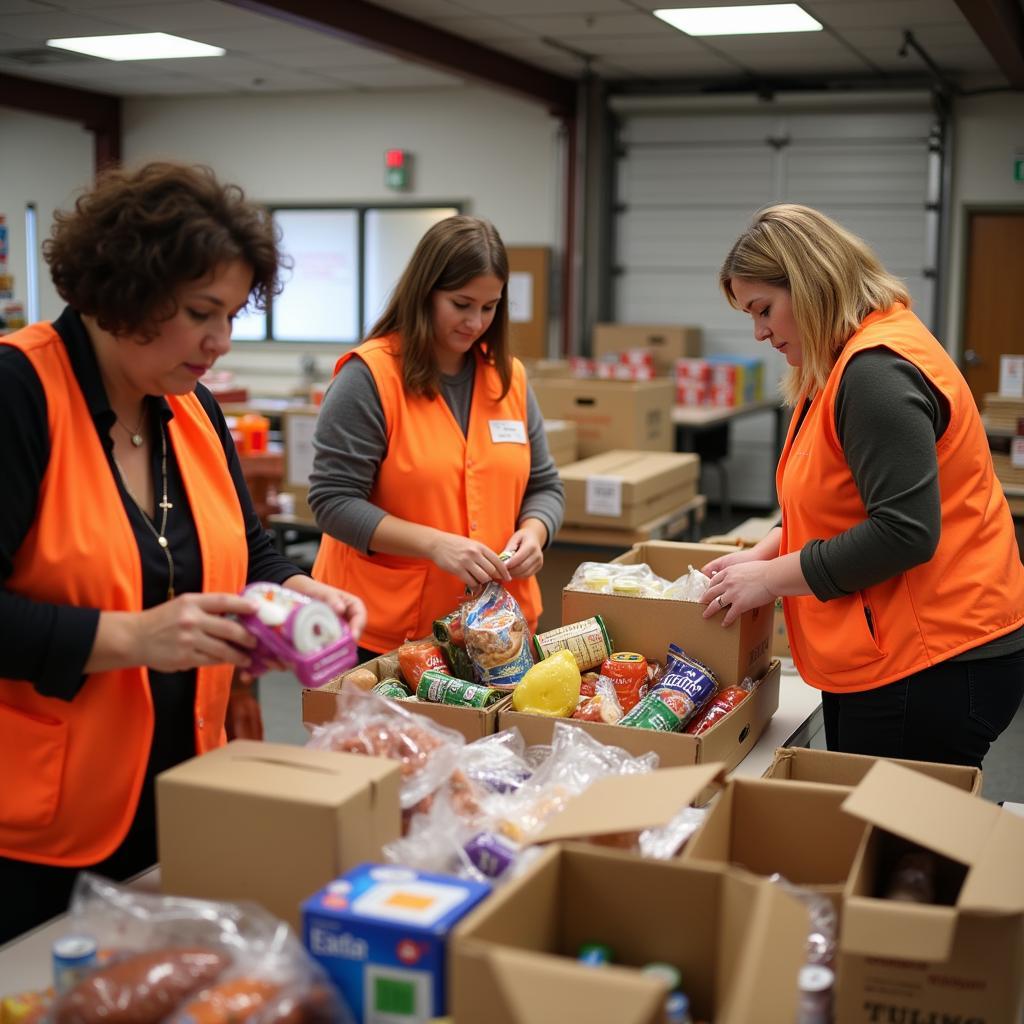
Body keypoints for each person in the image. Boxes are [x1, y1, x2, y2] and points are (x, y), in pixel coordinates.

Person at [0, 162, 366, 943]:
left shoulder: (189, 406)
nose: (220, 342)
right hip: (39, 829)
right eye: (204, 313)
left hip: (184, 789)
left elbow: (248, 546)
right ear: (128, 288)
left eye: (232, 315)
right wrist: (133, 637)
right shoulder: (17, 394)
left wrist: (304, 589)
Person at [701, 203, 1024, 768]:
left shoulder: (875, 372)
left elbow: (904, 533)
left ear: (808, 283)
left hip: (933, 660)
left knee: (893, 847)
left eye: (764, 310)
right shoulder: (842, 363)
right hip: (908, 651)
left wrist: (771, 580)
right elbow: (842, 498)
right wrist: (770, 547)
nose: (759, 332)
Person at [310, 215, 564, 658]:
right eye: (461, 304)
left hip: (496, 632)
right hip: (385, 632)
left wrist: (535, 531)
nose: (476, 322)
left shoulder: (509, 378)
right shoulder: (369, 378)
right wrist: (434, 544)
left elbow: (544, 485)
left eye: (490, 307)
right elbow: (333, 501)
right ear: (424, 293)